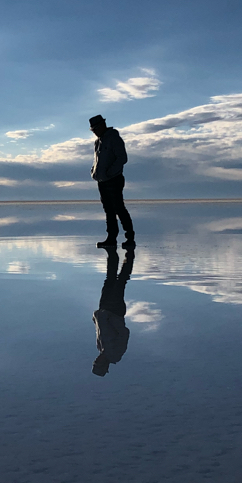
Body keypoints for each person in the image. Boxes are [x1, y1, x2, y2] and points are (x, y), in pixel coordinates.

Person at [89, 114, 135, 249]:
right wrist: (94, 172)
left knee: (119, 208)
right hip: (102, 181)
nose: (95, 132)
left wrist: (110, 172)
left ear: (103, 125)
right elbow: (97, 160)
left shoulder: (114, 138)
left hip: (114, 179)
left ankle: (130, 238)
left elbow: (122, 158)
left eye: (96, 129)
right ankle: (111, 238)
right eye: (93, 130)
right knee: (108, 210)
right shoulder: (98, 142)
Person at [92, 247, 134, 377]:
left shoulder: (101, 349)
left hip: (104, 309)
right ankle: (129, 254)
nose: (95, 360)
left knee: (109, 279)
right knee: (121, 280)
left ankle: (111, 252)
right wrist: (112, 319)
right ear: (103, 365)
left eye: (94, 363)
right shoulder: (115, 354)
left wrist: (96, 319)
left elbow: (102, 329)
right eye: (96, 363)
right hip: (114, 311)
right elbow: (124, 333)